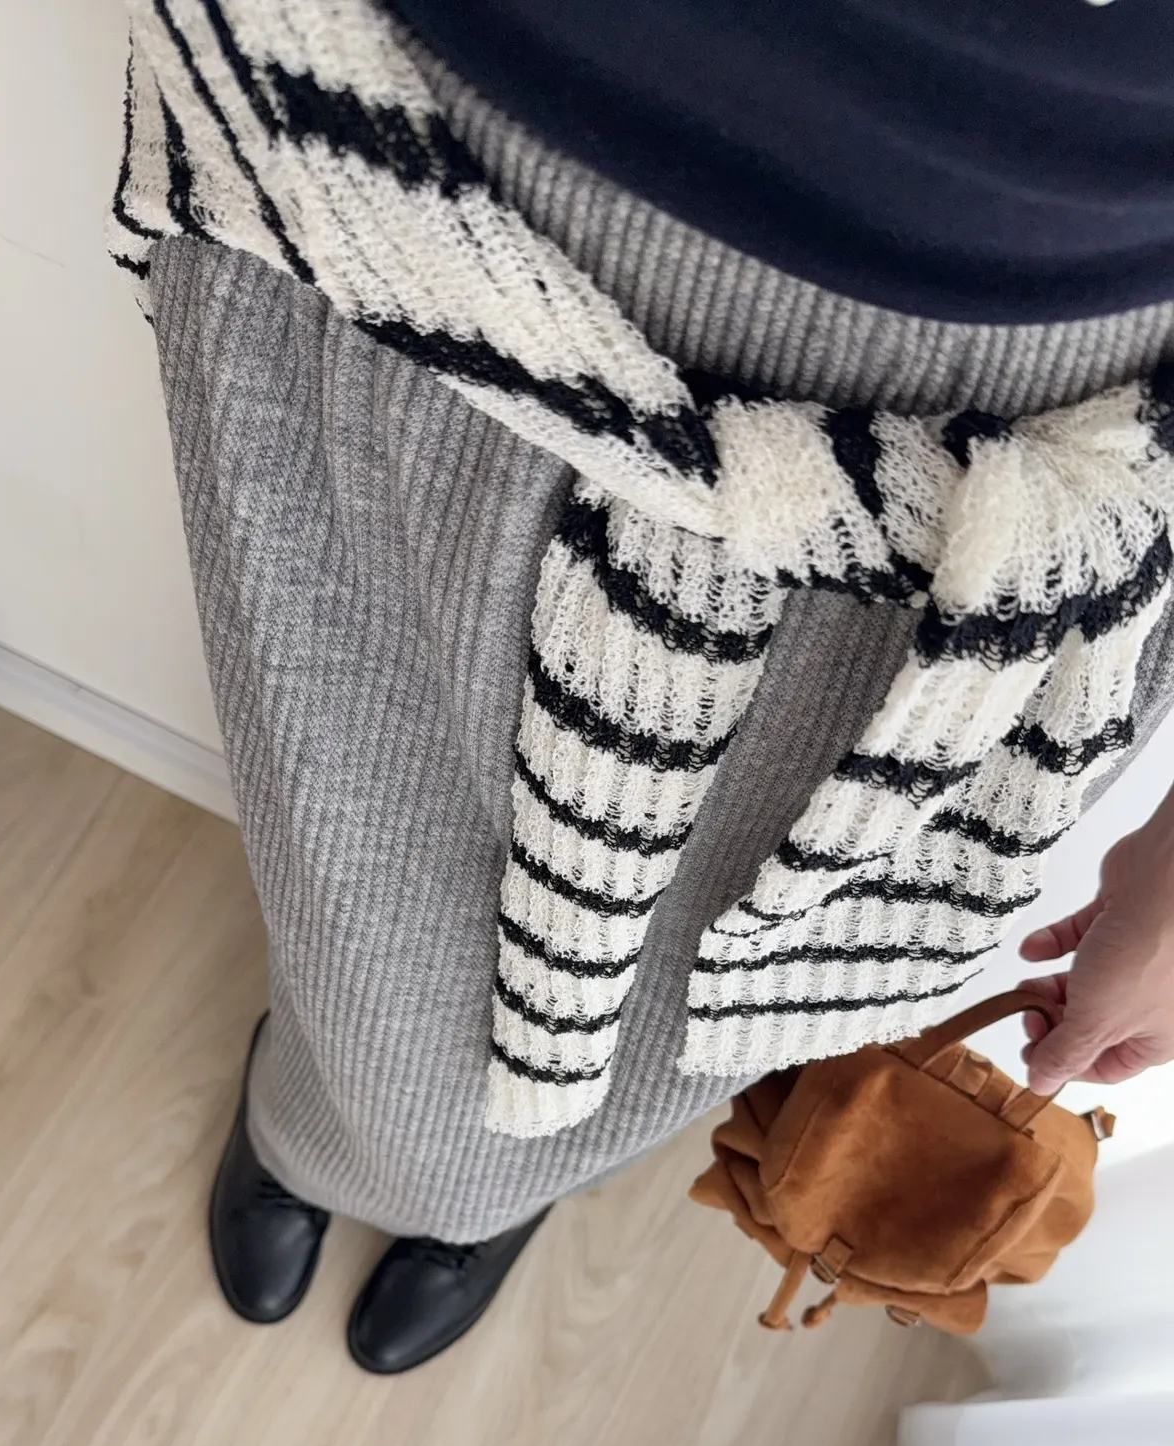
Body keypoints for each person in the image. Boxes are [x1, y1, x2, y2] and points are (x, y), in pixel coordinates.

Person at [112, 0, 1174, 1372]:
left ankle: (491, 1194)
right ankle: (314, 1128)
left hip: (1013, 427)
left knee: (709, 980)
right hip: (437, 202)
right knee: (353, 848)